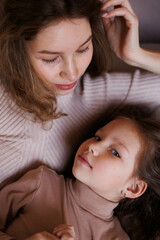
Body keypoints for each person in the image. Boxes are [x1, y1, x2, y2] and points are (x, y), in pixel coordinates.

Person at [0, 0, 160, 189]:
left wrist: (135, 55)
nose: (72, 73)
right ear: (16, 51)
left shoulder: (92, 96)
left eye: (83, 49)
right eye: (51, 59)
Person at [0, 105, 160, 240]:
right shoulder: (41, 182)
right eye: (97, 137)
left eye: (115, 152)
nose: (93, 146)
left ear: (133, 188)